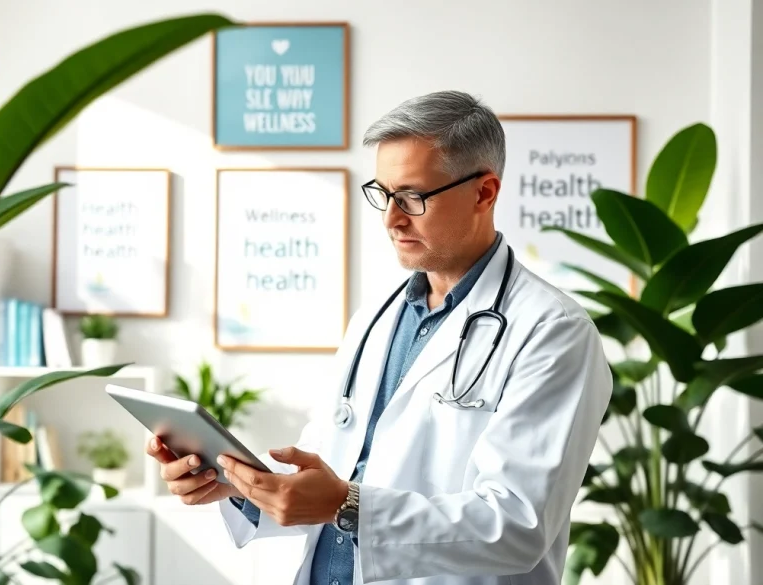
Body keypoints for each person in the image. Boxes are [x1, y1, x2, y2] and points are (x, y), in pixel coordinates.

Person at [146, 90, 612, 585]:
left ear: (484, 193)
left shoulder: (553, 332)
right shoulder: (377, 317)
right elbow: (328, 464)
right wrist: (239, 486)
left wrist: (348, 505)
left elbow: (516, 525)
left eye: (413, 197)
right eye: (384, 194)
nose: (391, 219)